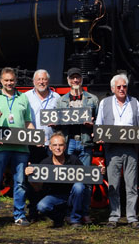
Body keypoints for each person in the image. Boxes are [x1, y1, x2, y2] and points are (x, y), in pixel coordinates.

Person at [0, 67, 35, 227]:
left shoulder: (22, 98)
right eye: (6, 80)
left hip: (21, 148)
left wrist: (35, 136)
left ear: (16, 81)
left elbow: (27, 122)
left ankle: (19, 215)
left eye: (12, 80)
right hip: (0, 147)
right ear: (1, 81)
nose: (9, 83)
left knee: (20, 182)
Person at [95, 73, 139, 228]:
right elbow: (99, 124)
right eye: (119, 87)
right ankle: (114, 216)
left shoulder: (134, 102)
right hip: (112, 148)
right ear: (112, 88)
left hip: (130, 148)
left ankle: (132, 217)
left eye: (124, 86)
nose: (122, 89)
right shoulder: (104, 103)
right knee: (114, 184)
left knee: (131, 184)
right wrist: (98, 136)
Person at [54, 67, 99, 224]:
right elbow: (55, 125)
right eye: (72, 78)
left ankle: (84, 213)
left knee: (85, 179)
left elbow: (99, 124)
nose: (75, 81)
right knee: (68, 180)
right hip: (69, 142)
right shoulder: (61, 101)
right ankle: (69, 212)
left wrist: (92, 124)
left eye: (77, 78)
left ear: (81, 80)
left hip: (85, 141)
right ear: (68, 80)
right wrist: (54, 123)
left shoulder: (92, 100)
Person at [23, 132, 93, 227]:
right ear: (50, 147)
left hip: (72, 195)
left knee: (79, 186)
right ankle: (61, 218)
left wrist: (99, 172)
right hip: (55, 197)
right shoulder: (45, 163)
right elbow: (37, 189)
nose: (58, 148)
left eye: (60, 145)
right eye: (54, 145)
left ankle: (75, 219)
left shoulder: (73, 160)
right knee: (42, 206)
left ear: (65, 146)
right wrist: (30, 177)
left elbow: (87, 177)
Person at [26, 69, 61, 163]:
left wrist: (57, 123)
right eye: (39, 79)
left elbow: (61, 117)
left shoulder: (56, 97)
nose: (41, 82)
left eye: (44, 79)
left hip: (51, 142)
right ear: (34, 81)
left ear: (48, 81)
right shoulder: (26, 97)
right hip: (32, 142)